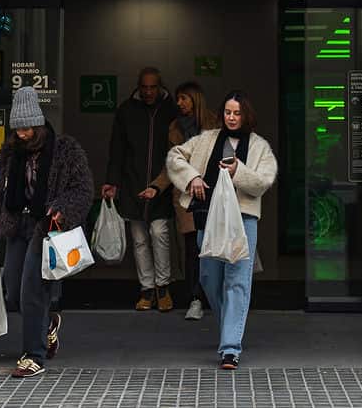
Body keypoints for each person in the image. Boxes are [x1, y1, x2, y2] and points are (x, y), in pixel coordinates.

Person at [0, 86, 94, 378]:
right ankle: (48, 326)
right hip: (18, 224)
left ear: (38, 124)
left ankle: (33, 356)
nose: (21, 133)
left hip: (46, 227)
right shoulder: (10, 153)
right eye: (17, 128)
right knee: (13, 289)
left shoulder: (65, 150)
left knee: (32, 288)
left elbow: (83, 190)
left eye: (27, 127)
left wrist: (61, 209)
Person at [166, 90, 277, 369]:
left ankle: (230, 348)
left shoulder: (259, 146)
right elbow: (174, 156)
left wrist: (238, 171)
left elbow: (264, 181)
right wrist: (191, 177)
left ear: (246, 115)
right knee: (209, 278)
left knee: (238, 280)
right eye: (228, 112)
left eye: (237, 113)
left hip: (243, 219)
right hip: (210, 216)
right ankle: (231, 323)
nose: (231, 117)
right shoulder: (207, 139)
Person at [102, 67, 179, 311]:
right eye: (144, 87)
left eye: (152, 87)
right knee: (139, 239)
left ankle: (163, 287)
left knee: (160, 233)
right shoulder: (126, 111)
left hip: (162, 184)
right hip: (132, 182)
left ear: (160, 86)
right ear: (138, 87)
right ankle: (146, 289)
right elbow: (117, 149)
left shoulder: (171, 110)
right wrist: (112, 181)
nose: (147, 92)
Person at [144, 81, 219, 320]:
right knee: (191, 250)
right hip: (186, 197)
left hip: (213, 194)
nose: (179, 103)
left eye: (184, 98)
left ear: (195, 99)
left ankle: (216, 297)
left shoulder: (214, 123)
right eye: (178, 99)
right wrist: (156, 187)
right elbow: (172, 165)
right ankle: (195, 299)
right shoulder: (175, 127)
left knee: (215, 248)